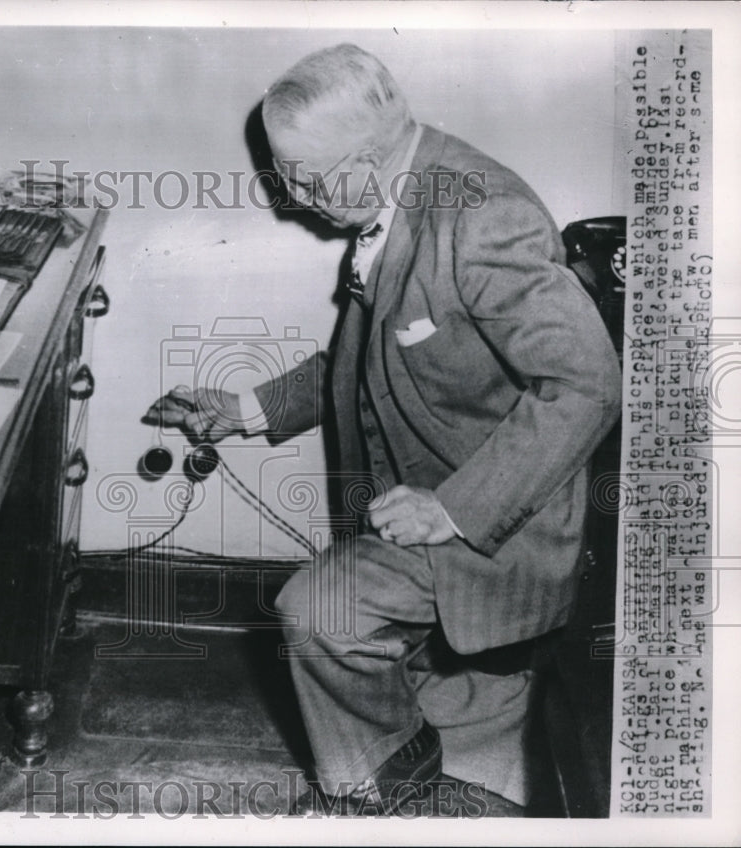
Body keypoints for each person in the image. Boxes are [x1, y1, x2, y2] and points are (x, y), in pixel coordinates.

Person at [148, 43, 621, 815]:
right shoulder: (392, 195)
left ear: (368, 157)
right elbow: (365, 357)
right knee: (334, 621)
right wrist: (246, 411)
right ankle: (400, 765)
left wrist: (454, 509)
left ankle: (380, 785)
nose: (288, 200)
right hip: (425, 501)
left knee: (316, 613)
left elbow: (589, 384)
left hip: (500, 523)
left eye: (302, 178)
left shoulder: (483, 218)